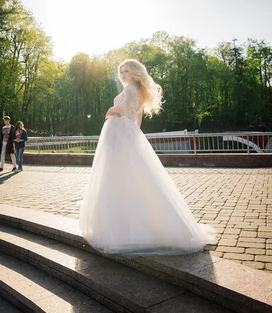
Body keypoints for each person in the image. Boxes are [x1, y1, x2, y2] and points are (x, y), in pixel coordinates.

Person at [79, 59, 216, 255]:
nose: (123, 74)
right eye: (121, 72)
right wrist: (132, 134)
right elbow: (138, 118)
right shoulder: (141, 92)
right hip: (129, 133)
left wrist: (111, 111)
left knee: (116, 176)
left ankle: (121, 229)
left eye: (127, 71)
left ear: (135, 72)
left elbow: (125, 109)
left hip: (119, 132)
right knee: (138, 178)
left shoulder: (128, 90)